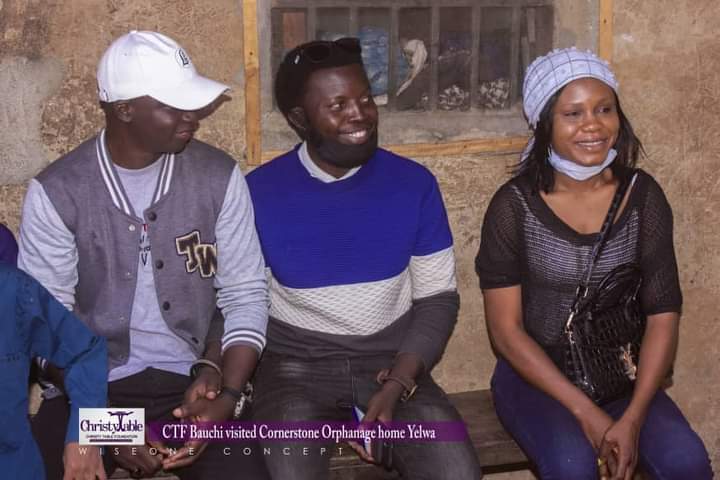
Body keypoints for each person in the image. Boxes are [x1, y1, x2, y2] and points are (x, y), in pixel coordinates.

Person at [18, 30, 269, 479]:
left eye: (193, 103)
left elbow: (245, 294)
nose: (192, 116)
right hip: (90, 389)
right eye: (174, 105)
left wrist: (228, 395)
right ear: (124, 110)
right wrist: (108, 426)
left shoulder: (218, 177)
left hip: (194, 381)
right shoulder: (58, 192)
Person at [245, 38, 482, 480]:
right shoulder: (257, 193)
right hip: (295, 367)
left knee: (456, 471)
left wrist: (398, 384)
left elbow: (437, 299)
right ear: (299, 119)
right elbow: (242, 302)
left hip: (390, 363)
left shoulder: (413, 184)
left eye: (366, 98)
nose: (360, 114)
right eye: (337, 105)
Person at [475, 47, 713, 480]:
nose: (593, 125)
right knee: (573, 467)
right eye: (573, 113)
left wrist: (633, 418)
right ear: (544, 123)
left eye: (605, 109)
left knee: (687, 463)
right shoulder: (514, 207)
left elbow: (663, 314)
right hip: (536, 379)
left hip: (619, 373)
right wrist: (587, 414)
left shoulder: (642, 196)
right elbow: (506, 331)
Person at [0, 263, 107, 480]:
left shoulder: (13, 289)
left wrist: (88, 436)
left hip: (160, 406)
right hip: (115, 409)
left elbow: (84, 351)